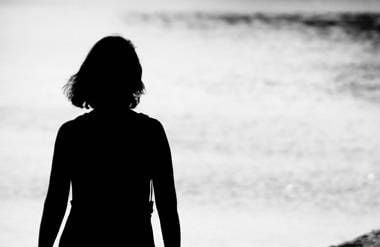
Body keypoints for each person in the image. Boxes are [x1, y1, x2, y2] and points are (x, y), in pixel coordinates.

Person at [38, 36, 181, 247]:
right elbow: (167, 208)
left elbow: (55, 205)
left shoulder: (71, 134)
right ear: (133, 80)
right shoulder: (150, 132)